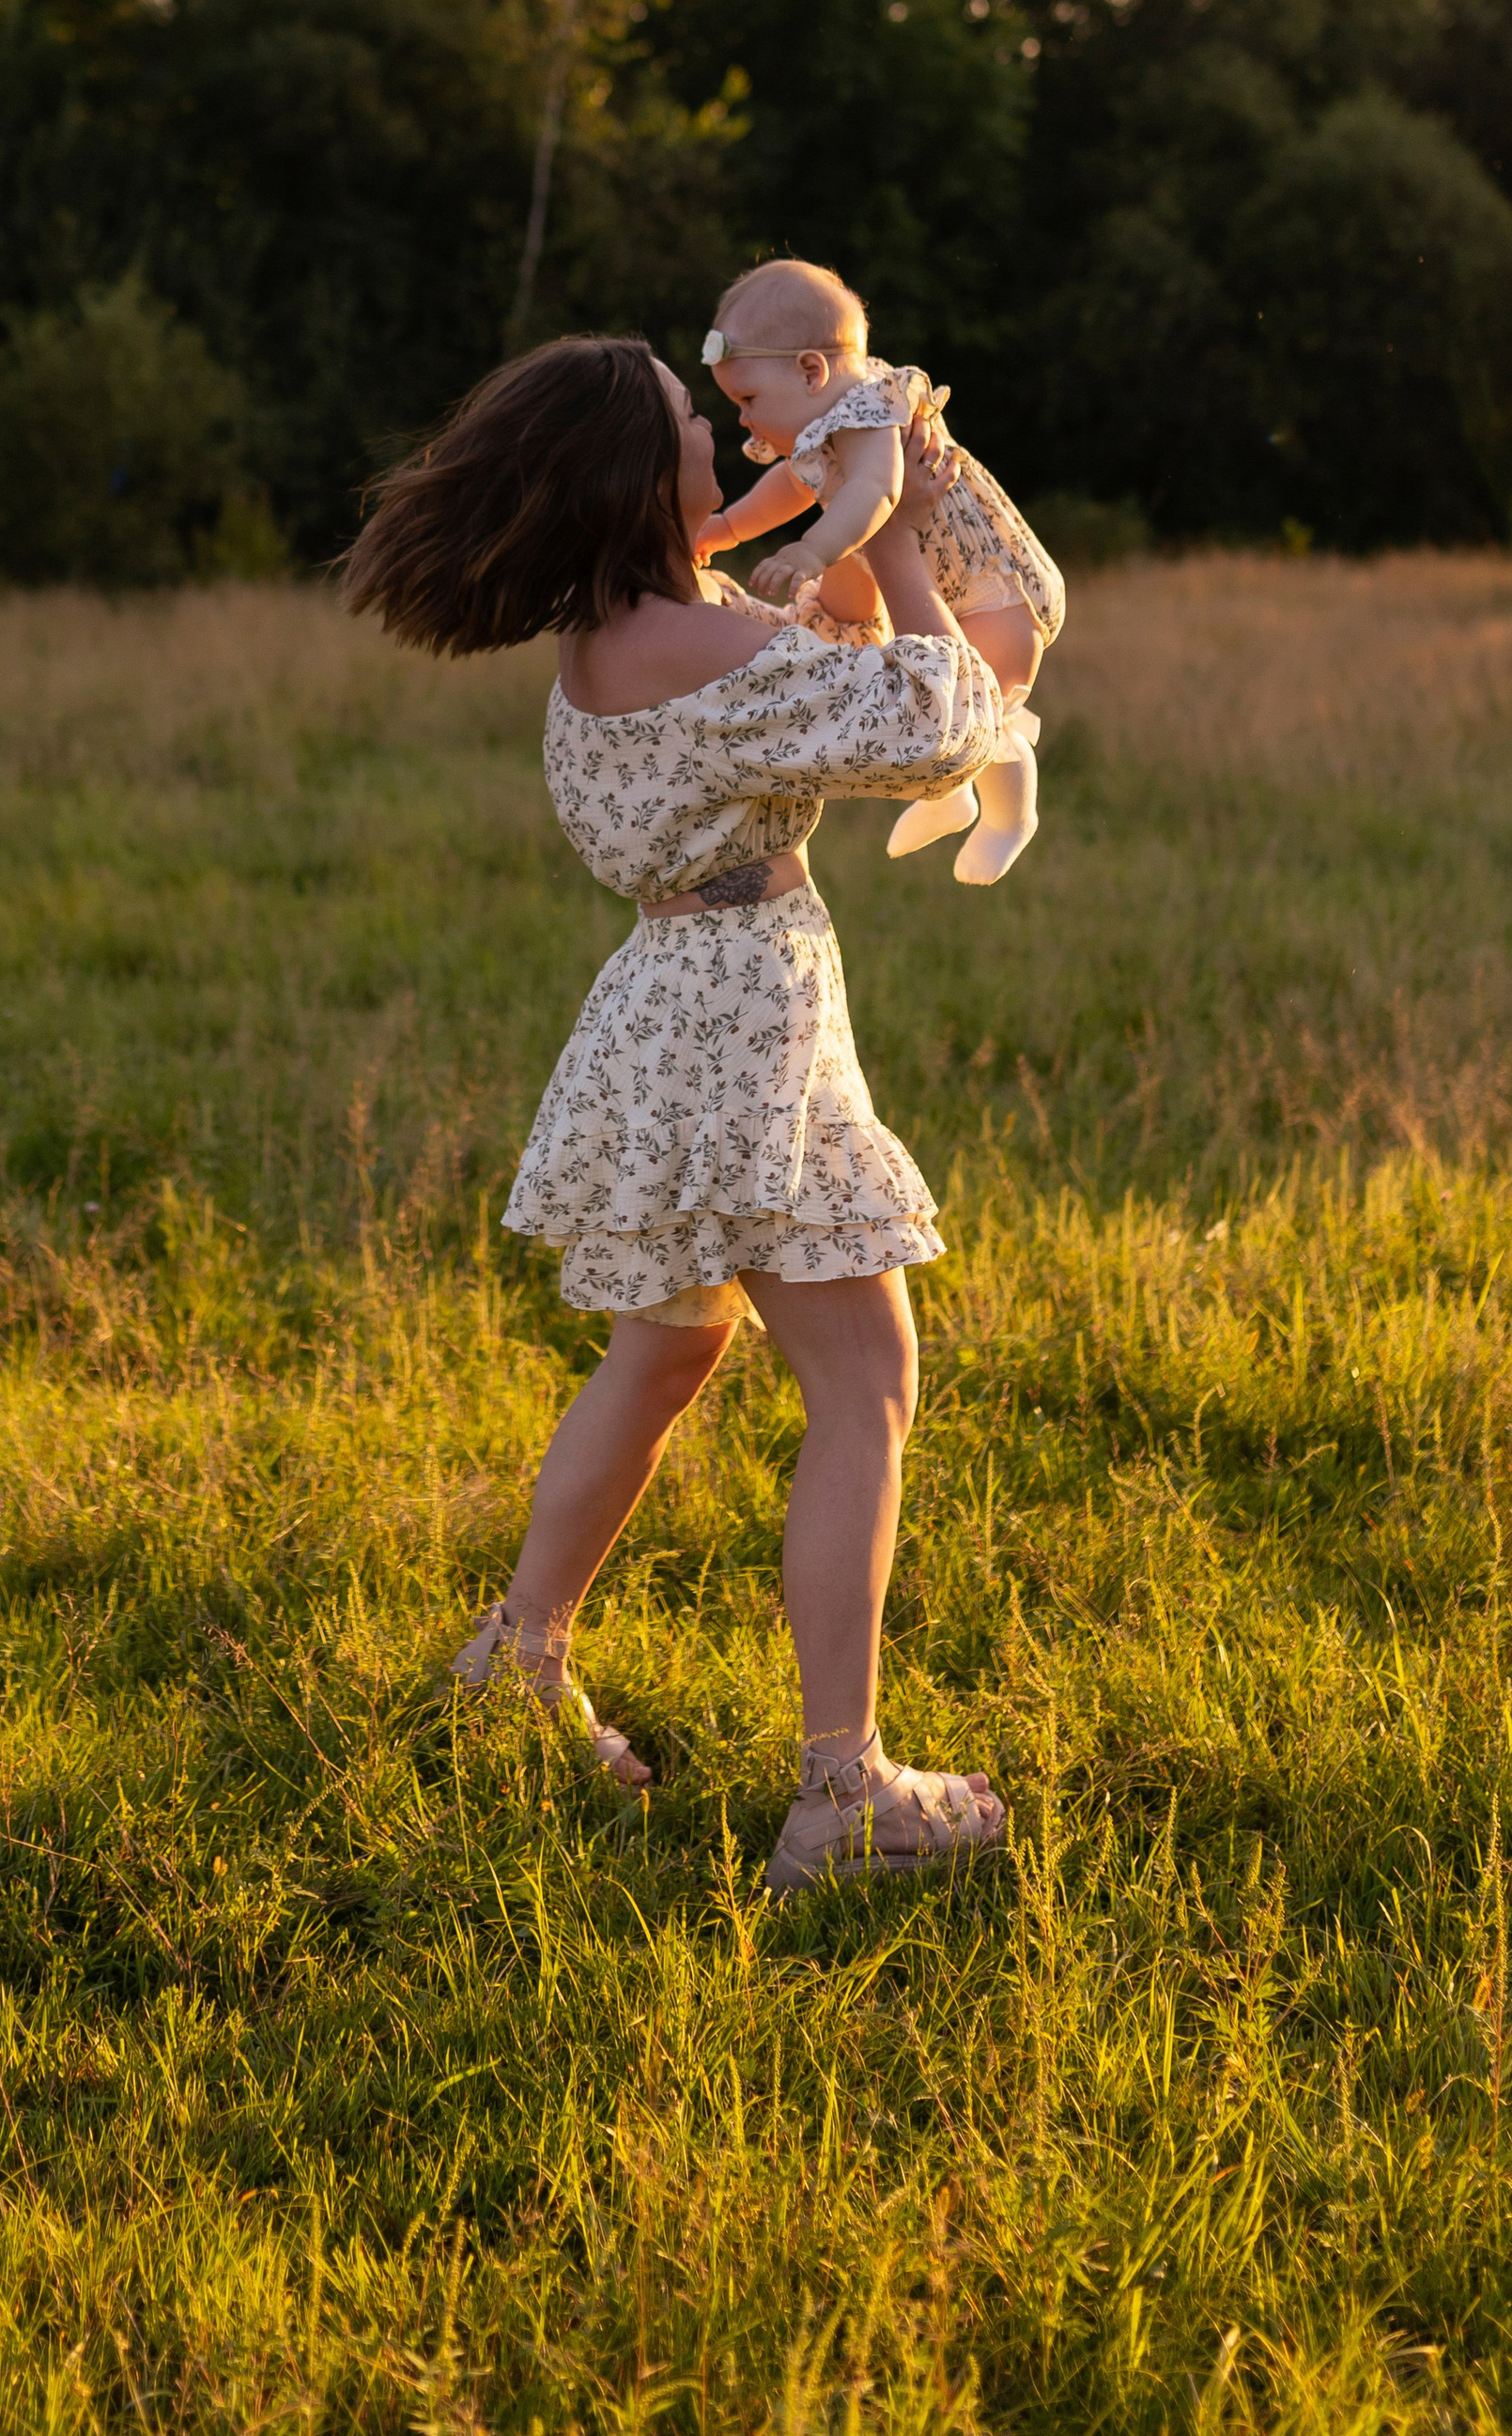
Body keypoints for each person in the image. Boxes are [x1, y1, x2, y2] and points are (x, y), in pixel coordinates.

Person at [341, 331, 1021, 1892]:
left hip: (675, 1010)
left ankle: (516, 1660)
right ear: (639, 475)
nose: (715, 437)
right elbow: (940, 723)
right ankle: (844, 1796)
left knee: (664, 1349)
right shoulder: (690, 645)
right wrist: (896, 536)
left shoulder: (632, 628)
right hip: (739, 1029)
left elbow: (796, 640)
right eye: (685, 425)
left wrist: (837, 509)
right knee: (868, 1385)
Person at [694, 256, 1064, 884]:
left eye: (747, 398)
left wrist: (812, 551)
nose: (742, 418)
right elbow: (793, 483)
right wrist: (729, 526)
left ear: (812, 370)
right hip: (941, 578)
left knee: (981, 702)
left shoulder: (868, 409)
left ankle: (1009, 818)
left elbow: (878, 491)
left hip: (993, 584)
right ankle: (949, 797)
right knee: (940, 695)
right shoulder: (828, 422)